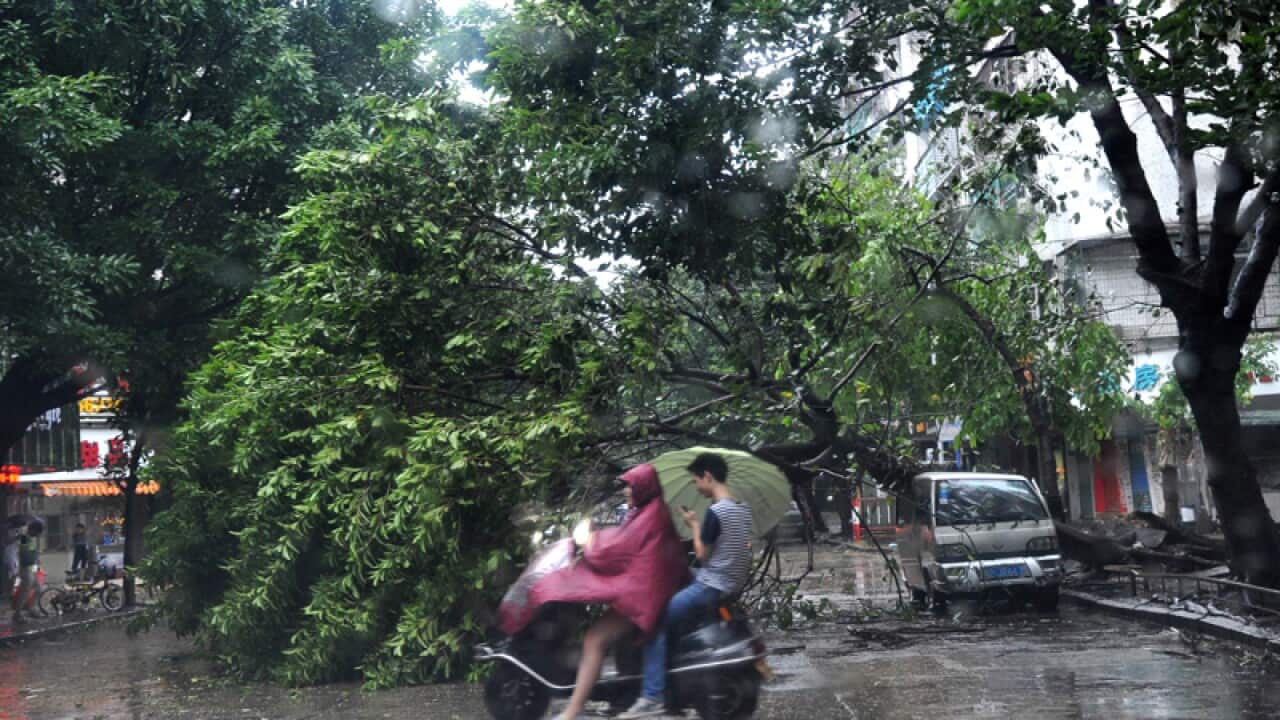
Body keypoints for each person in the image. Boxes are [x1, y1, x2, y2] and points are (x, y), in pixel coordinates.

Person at [511, 464, 687, 720]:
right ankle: (615, 698)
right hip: (647, 590)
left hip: (645, 597)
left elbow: (619, 548)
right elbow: (623, 539)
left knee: (594, 640)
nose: (626, 491)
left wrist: (589, 542)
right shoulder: (646, 511)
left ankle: (574, 709)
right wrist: (594, 537)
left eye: (631, 486)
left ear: (644, 487)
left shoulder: (651, 515)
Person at [621, 452, 753, 718]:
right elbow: (741, 546)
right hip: (731, 580)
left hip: (712, 584)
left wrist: (693, 525)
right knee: (677, 576)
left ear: (708, 476)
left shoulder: (716, 512)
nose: (696, 486)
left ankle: (653, 695)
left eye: (696, 481)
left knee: (654, 622)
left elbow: (702, 554)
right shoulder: (742, 508)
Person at [11, 518, 44, 624]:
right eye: (38, 532)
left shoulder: (30, 538)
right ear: (33, 529)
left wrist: (35, 557)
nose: (38, 535)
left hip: (31, 569)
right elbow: (24, 554)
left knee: (38, 589)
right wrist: (34, 554)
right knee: (24, 592)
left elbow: (30, 553)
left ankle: (31, 609)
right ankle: (17, 614)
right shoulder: (24, 537)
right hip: (25, 569)